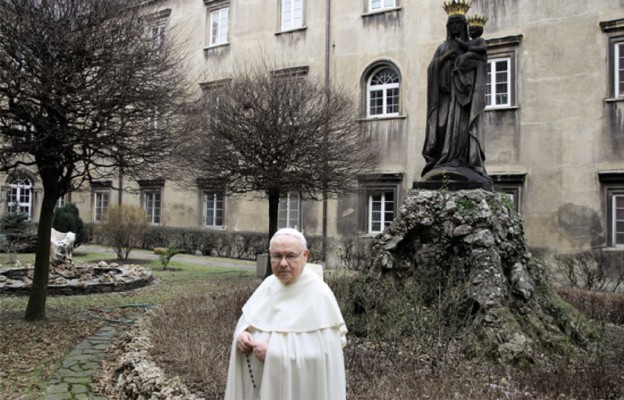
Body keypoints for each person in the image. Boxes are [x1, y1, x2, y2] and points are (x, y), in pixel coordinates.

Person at [224, 228, 347, 400]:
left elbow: (324, 359)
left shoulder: (320, 294)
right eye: (276, 256)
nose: (282, 263)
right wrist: (242, 336)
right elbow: (246, 324)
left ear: (305, 255)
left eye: (290, 256)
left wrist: (275, 354)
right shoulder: (267, 286)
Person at [421, 1, 489, 181]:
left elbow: (480, 65)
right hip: (444, 96)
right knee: (442, 126)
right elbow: (431, 69)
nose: (454, 27)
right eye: (451, 24)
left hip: (464, 98)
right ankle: (444, 159)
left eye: (457, 23)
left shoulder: (471, 45)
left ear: (464, 25)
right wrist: (443, 59)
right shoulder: (442, 47)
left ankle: (463, 161)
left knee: (462, 128)